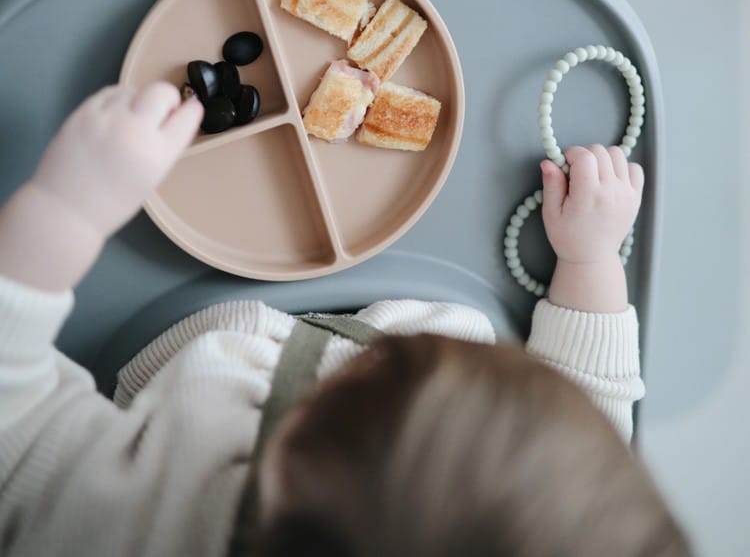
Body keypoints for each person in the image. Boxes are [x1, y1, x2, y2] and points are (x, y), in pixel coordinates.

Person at [0, 82, 690, 556]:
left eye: (362, 384)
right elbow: (592, 398)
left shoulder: (132, 520)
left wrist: (67, 208)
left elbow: (12, 416)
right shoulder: (562, 494)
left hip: (165, 305)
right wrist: (593, 257)